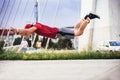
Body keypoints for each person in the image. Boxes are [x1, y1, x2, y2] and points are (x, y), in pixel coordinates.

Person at [12, 13, 100, 39]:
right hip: (59, 31)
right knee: (76, 28)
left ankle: (88, 19)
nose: (29, 34)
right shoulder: (36, 27)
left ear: (30, 27)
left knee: (79, 33)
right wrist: (19, 33)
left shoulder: (36, 26)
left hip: (59, 32)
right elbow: (26, 33)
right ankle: (85, 18)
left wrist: (17, 31)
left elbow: (27, 32)